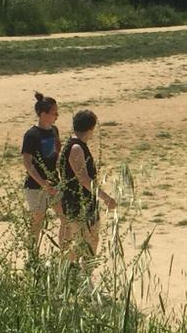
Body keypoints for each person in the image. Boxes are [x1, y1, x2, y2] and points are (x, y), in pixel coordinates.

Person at [59, 108, 117, 263]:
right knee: (84, 241)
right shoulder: (76, 147)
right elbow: (84, 179)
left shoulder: (75, 145)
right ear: (91, 128)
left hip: (84, 200)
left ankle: (77, 275)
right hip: (77, 202)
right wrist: (106, 198)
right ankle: (76, 275)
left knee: (91, 238)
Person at [20, 92, 63, 256]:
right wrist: (42, 183)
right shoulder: (31, 135)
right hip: (35, 188)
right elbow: (27, 163)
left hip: (55, 184)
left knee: (65, 218)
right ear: (43, 114)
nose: (56, 116)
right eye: (54, 113)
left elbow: (57, 153)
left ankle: (64, 254)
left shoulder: (54, 130)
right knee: (37, 222)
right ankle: (32, 257)